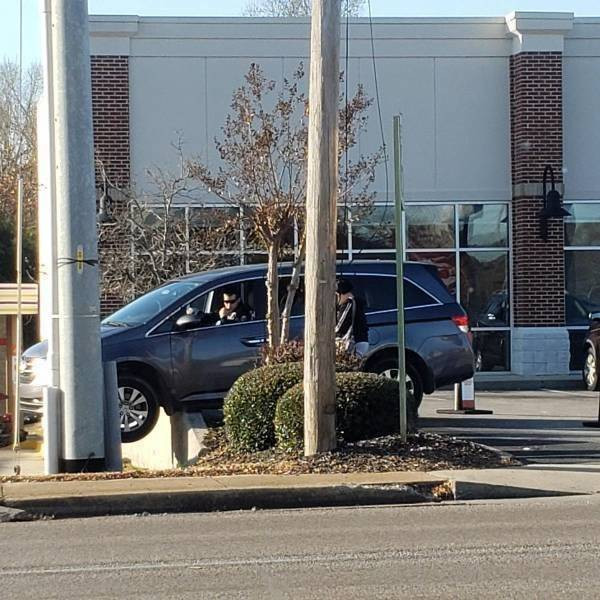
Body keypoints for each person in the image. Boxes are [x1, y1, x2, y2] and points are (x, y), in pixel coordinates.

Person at [335, 278, 369, 357]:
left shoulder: (349, 304)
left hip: (355, 342)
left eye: (336, 295)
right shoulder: (354, 303)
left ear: (341, 294)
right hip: (360, 341)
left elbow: (339, 327)